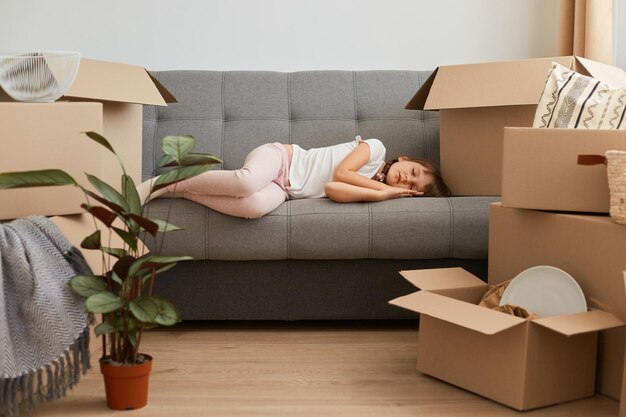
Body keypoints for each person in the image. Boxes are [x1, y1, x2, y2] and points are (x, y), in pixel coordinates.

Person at [138, 136, 451, 219]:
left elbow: (333, 188)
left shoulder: (375, 192)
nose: (405, 180)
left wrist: (384, 194)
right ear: (406, 159)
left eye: (411, 187)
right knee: (245, 183)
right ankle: (160, 183)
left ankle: (181, 191)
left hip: (284, 189)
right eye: (411, 172)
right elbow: (343, 172)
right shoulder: (376, 149)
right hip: (281, 158)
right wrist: (380, 188)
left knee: (253, 208)